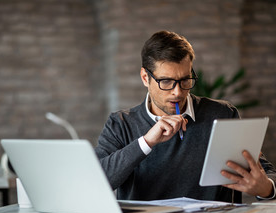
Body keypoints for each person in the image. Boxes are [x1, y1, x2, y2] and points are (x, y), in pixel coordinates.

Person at [95, 30, 276, 203]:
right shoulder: (120, 124)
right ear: (145, 77)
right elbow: (96, 179)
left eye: (185, 80)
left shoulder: (222, 114)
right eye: (166, 81)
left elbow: (265, 172)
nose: (177, 92)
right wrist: (146, 142)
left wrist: (266, 188)